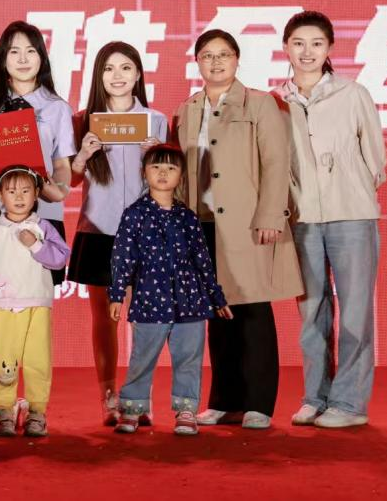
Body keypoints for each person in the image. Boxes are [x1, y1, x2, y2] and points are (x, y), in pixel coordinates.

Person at [170, 29, 303, 430]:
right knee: (217, 313)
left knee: (253, 310)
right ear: (197, 62)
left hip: (247, 223)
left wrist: (271, 215)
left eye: (223, 55)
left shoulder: (260, 104)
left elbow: (276, 163)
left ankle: (259, 403)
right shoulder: (188, 109)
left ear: (237, 59)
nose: (215, 62)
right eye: (207, 56)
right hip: (202, 224)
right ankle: (224, 401)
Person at [274, 11, 386, 428]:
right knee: (311, 311)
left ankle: (350, 404)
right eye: (299, 43)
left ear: (329, 49)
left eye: (317, 44)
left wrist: (351, 189)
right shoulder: (275, 102)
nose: (307, 52)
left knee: (355, 312)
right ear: (286, 48)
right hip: (301, 218)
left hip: (351, 215)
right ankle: (315, 397)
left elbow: (375, 159)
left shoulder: (353, 94)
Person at [68, 41, 166, 425]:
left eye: (126, 68)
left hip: (146, 231)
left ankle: (139, 396)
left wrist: (155, 158)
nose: (118, 76)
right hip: (99, 229)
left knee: (147, 319)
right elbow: (69, 180)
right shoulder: (83, 121)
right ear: (99, 76)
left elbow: (169, 182)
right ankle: (108, 396)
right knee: (104, 319)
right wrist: (82, 155)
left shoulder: (156, 121)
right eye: (109, 69)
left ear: (138, 74)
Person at [108, 145, 232, 436]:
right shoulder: (134, 215)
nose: (163, 173)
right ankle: (132, 410)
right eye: (156, 167)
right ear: (144, 172)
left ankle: (186, 411)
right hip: (149, 301)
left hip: (191, 303)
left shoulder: (187, 216)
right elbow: (122, 257)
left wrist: (216, 297)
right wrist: (116, 295)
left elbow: (202, 260)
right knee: (142, 359)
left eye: (171, 168)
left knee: (189, 360)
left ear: (181, 176)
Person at [0, 21, 75, 287]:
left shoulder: (57, 107)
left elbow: (62, 164)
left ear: (42, 57)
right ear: (3, 58)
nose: (23, 59)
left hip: (43, 210)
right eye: (14, 52)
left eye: (30, 51)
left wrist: (58, 190)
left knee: (39, 293)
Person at [0, 165, 70, 438]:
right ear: (0, 195)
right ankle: (4, 410)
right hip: (4, 306)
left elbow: (60, 258)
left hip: (37, 303)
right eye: (11, 191)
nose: (19, 197)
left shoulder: (42, 227)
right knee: (4, 361)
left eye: (26, 191)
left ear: (36, 194)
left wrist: (35, 245)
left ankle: (37, 411)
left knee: (38, 360)